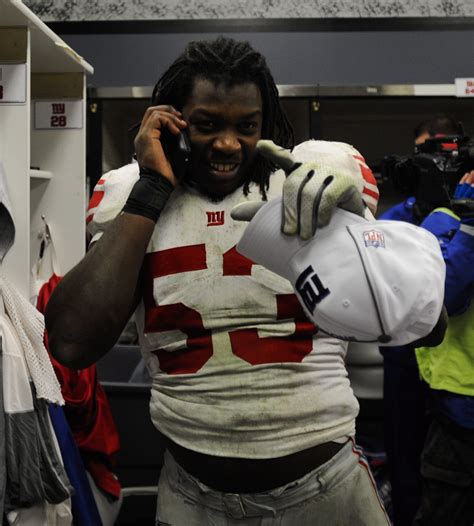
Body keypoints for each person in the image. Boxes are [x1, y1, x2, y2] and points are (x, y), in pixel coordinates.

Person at [45, 36, 420, 525]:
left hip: (328, 491)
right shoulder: (131, 197)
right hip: (191, 496)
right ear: (174, 121)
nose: (227, 144)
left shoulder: (311, 179)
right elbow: (70, 343)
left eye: (246, 126)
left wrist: (358, 233)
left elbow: (420, 322)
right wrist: (151, 190)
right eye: (206, 124)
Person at [379, 115, 473, 526]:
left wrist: (454, 214)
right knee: (407, 461)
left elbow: (447, 289)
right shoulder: (397, 219)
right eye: (429, 159)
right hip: (408, 361)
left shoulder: (467, 214)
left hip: (453, 384)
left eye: (448, 158)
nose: (440, 170)